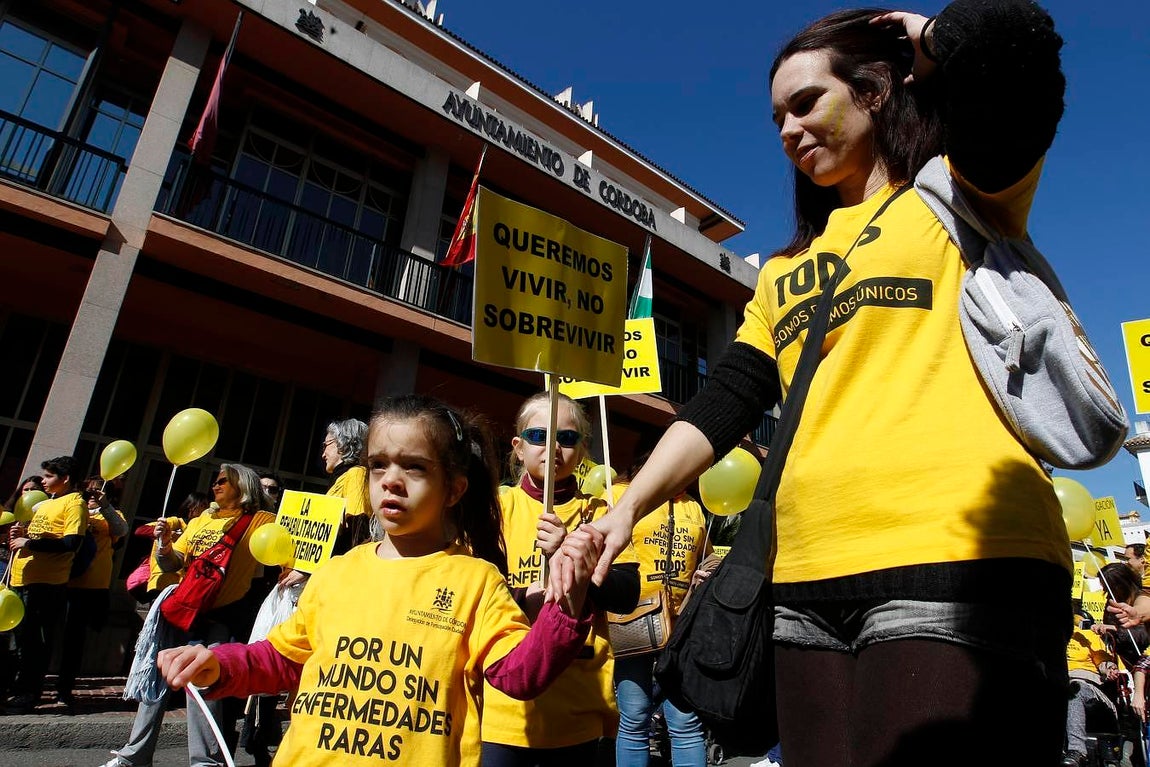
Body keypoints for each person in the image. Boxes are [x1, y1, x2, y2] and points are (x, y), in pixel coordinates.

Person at [552, 3, 1073, 765]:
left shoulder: (959, 193)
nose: (789, 129)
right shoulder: (785, 270)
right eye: (776, 119)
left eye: (806, 102)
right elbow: (724, 402)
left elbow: (1020, 52)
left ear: (875, 91)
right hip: (802, 582)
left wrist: (922, 36)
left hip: (958, 556)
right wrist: (624, 509)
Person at [154, 394, 604, 766]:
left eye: (414, 467)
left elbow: (519, 675)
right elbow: (283, 660)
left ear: (454, 489)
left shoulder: (477, 581)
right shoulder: (337, 572)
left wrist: (568, 605)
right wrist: (219, 664)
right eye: (378, 465)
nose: (391, 481)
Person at [481, 391, 639, 766]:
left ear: (582, 450)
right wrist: (524, 597)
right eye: (539, 436)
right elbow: (473, 590)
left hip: (579, 707)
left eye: (567, 438)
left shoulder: (599, 511)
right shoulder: (496, 509)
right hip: (504, 710)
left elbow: (627, 593)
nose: (553, 447)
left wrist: (566, 555)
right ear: (518, 447)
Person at [103, 464, 275, 767]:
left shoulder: (261, 520)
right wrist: (165, 543)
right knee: (154, 683)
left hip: (223, 615)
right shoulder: (201, 519)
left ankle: (205, 762)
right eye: (215, 481)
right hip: (183, 611)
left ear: (242, 485)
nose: (215, 486)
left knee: (204, 686)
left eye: (223, 481)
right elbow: (173, 565)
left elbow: (287, 549)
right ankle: (134, 756)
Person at [609, 441, 710, 767]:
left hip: (682, 628)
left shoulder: (694, 506)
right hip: (633, 622)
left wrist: (707, 571)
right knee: (635, 718)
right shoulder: (621, 495)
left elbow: (704, 558)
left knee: (685, 723)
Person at [5, 456, 87, 714]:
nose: (43, 481)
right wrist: (23, 536)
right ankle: (16, 688)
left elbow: (71, 543)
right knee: (18, 640)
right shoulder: (46, 503)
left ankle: (29, 693)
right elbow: (40, 535)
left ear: (66, 479)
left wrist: (29, 544)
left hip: (46, 584)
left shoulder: (75, 504)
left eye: (50, 476)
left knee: (34, 642)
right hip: (21, 578)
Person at [56, 476, 128, 711]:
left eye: (96, 492)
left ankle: (64, 689)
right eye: (88, 491)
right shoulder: (73, 508)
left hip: (91, 585)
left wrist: (104, 506)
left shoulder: (112, 515)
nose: (91, 496)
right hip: (61, 580)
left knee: (74, 640)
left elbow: (121, 530)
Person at [322, 418, 371, 555]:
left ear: (343, 442)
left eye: (326, 445)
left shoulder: (356, 474)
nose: (323, 454)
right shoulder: (342, 478)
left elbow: (359, 531)